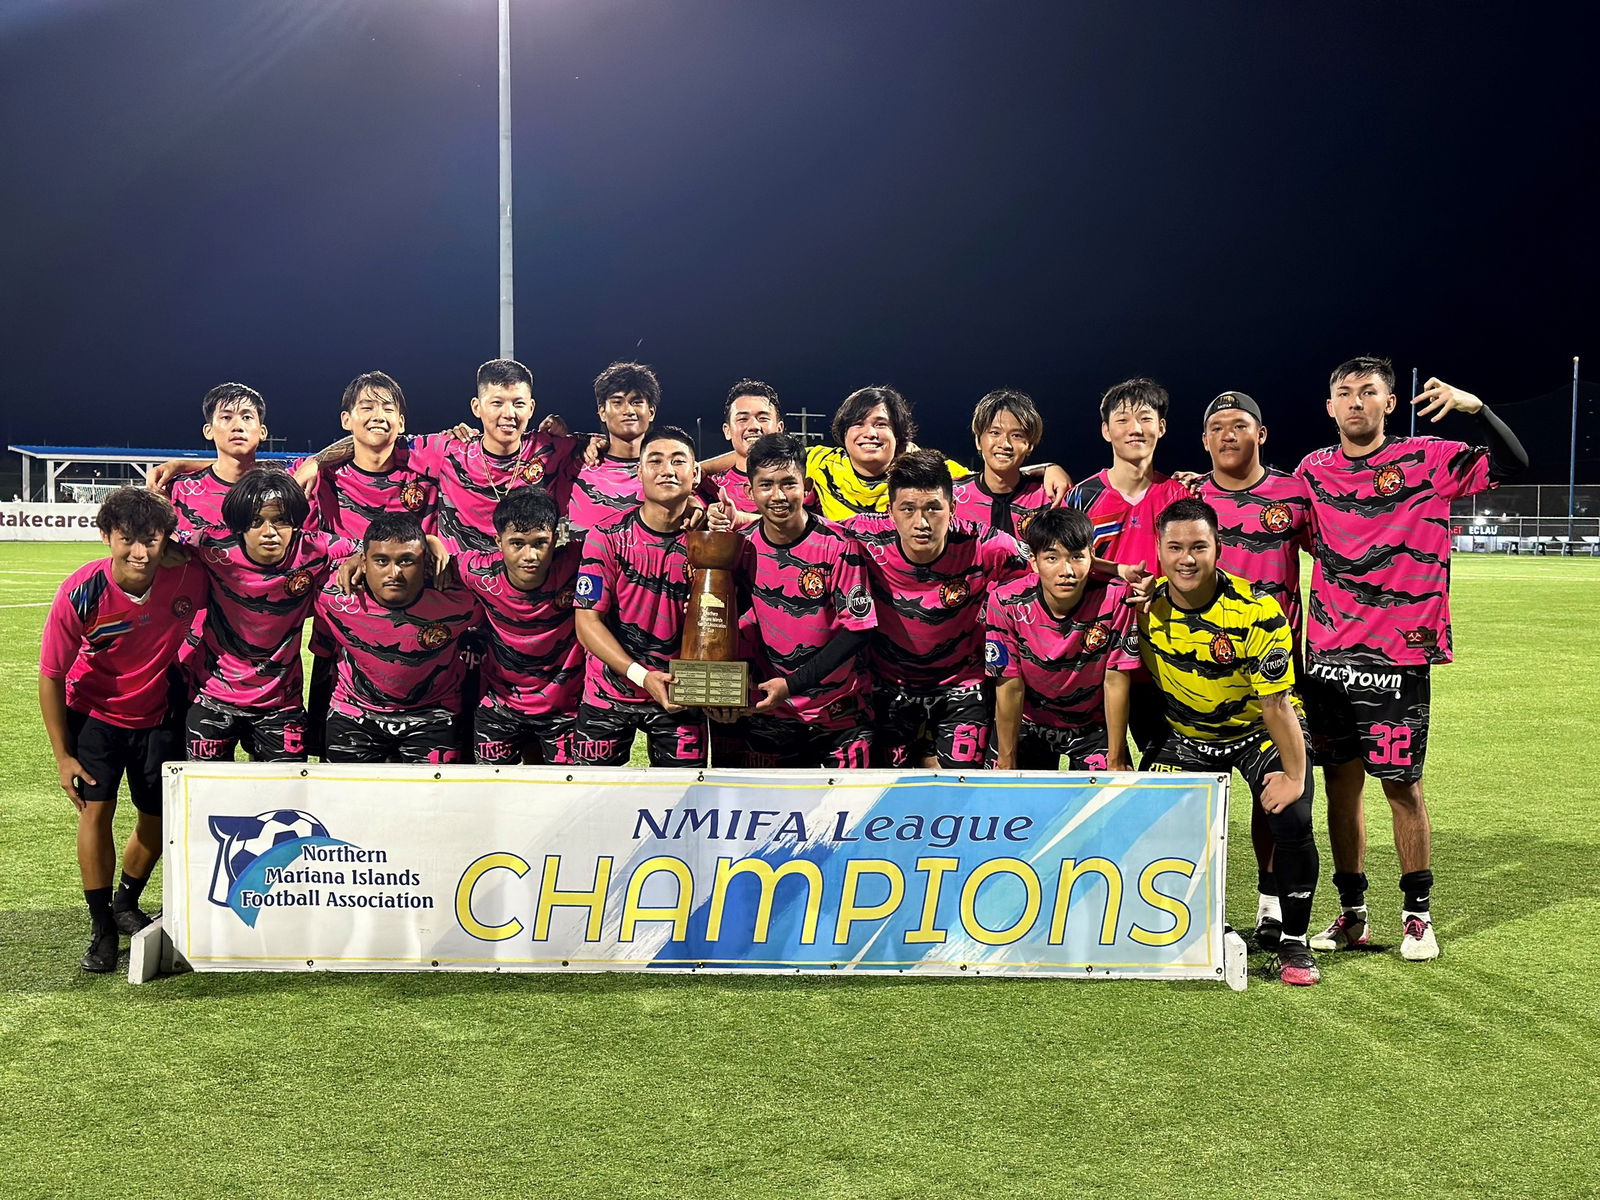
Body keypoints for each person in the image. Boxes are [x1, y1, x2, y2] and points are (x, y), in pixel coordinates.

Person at [1298, 358, 1527, 961]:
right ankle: (1352, 915)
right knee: (1339, 792)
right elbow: (1270, 520)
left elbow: (1513, 465)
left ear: (1389, 402)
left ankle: (1417, 916)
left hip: (1397, 655)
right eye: (1343, 393)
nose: (1355, 402)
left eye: (1368, 392)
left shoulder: (1429, 457)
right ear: (1329, 407)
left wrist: (1477, 410)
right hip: (1325, 657)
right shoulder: (1313, 470)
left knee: (1402, 787)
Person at [1104, 498, 1322, 986]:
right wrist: (1118, 756)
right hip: (1186, 736)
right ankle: (1202, 925)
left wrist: (1295, 776)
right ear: (1158, 551)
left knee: (1292, 815)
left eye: (1199, 546)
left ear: (1218, 548)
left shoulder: (1257, 611)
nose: (1187, 558)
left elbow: (1276, 707)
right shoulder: (1140, 607)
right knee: (1158, 822)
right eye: (1175, 547)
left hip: (1258, 731)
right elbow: (1116, 677)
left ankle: (1295, 941)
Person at [38, 488, 208, 971]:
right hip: (94, 719)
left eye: (151, 541)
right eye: (126, 539)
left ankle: (125, 901)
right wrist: (63, 755)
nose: (139, 552)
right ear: (106, 536)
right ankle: (101, 928)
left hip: (159, 716)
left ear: (165, 541)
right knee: (96, 815)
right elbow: (51, 674)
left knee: (158, 821)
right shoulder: (80, 592)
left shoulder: (186, 575)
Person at [1194, 390, 1314, 945]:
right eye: (1216, 427)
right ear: (1203, 440)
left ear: (1261, 434)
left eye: (1238, 425)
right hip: (1196, 677)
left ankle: (1270, 907)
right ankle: (1190, 912)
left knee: (1277, 796)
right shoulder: (1189, 495)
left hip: (1277, 678)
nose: (1226, 435)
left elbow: (1337, 557)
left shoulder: (1294, 493)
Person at [849, 449, 1031, 768]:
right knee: (880, 793)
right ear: (890, 511)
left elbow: (1055, 569)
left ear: (953, 507)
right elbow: (799, 532)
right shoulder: (862, 536)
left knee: (968, 790)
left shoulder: (987, 545)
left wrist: (1120, 576)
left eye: (933, 508)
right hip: (889, 687)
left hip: (963, 687)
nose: (921, 522)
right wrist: (738, 520)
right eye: (908, 509)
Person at [711, 433, 877, 768]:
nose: (778, 495)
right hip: (771, 713)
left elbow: (858, 631)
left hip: (839, 715)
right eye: (766, 485)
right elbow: (727, 623)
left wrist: (792, 684)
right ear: (750, 491)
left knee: (854, 816)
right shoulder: (740, 549)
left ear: (806, 486)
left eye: (788, 483)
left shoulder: (839, 545)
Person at [573, 425, 735, 766]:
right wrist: (641, 676)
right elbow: (587, 622)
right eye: (655, 460)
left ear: (694, 475)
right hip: (610, 693)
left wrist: (721, 686)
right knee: (592, 809)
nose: (666, 469)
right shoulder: (606, 537)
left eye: (678, 461)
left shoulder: (710, 543)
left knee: (682, 809)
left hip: (681, 693)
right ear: (640, 472)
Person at [180, 469, 360, 763]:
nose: (269, 531)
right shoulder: (210, 544)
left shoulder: (314, 548)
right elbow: (160, 539)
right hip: (212, 697)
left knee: (284, 802)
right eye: (255, 521)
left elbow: (378, 550)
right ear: (238, 524)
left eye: (280, 520)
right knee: (204, 799)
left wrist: (360, 558)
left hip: (281, 703)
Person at [1065, 377, 1193, 753]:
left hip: (1166, 664)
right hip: (1095, 663)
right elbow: (1056, 568)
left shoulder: (1181, 497)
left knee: (1169, 778)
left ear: (1162, 427)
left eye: (1145, 418)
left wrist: (1164, 587)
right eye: (1122, 420)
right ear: (1106, 431)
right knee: (1095, 783)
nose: (1135, 428)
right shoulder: (1080, 498)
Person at [313, 512, 481, 763]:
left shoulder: (460, 598)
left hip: (434, 715)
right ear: (363, 563)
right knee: (346, 801)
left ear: (425, 564)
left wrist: (433, 541)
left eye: (406, 561)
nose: (395, 573)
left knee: (433, 802)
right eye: (381, 561)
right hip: (355, 714)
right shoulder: (333, 594)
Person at [984, 507, 1138, 770]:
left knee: (1114, 803)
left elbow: (1115, 680)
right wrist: (1007, 762)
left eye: (1077, 557)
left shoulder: (1115, 597)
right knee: (1003, 800)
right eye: (1052, 558)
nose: (1067, 570)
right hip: (1029, 723)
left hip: (1092, 726)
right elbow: (1010, 685)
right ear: (1034, 561)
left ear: (1092, 557)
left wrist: (1115, 759)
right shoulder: (1006, 601)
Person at [454, 488, 584, 765]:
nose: (530, 555)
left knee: (566, 801)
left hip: (564, 709)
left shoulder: (577, 560)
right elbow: (417, 559)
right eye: (517, 543)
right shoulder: (475, 572)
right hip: (499, 707)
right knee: (493, 797)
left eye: (540, 543)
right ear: (497, 541)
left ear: (556, 540)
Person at [296, 371, 439, 540]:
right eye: (367, 408)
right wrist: (315, 462)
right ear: (346, 420)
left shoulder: (428, 472)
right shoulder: (317, 477)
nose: (378, 416)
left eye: (388, 409)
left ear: (401, 423)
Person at [148, 383, 270, 538]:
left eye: (247, 417)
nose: (238, 426)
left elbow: (311, 460)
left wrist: (181, 464)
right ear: (208, 430)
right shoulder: (178, 490)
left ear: (262, 431)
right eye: (226, 417)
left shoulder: (287, 481)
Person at [565, 361, 660, 537]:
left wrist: (701, 467)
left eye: (637, 402)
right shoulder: (577, 462)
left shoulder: (665, 471)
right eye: (617, 402)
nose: (628, 410)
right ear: (602, 412)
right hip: (581, 564)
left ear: (651, 412)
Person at [952, 389, 1061, 536]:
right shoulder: (952, 495)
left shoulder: (1049, 497)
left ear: (1030, 446)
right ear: (978, 441)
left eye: (1016, 435)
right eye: (995, 433)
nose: (1005, 444)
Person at [698, 379, 785, 521]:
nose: (754, 426)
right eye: (743, 419)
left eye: (763, 418)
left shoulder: (803, 479)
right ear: (727, 431)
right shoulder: (708, 487)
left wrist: (741, 518)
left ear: (779, 429)